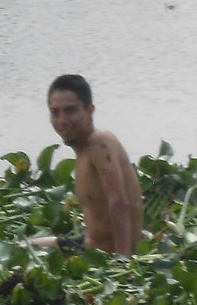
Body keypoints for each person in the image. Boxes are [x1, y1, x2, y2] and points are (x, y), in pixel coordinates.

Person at [36, 73, 142, 255]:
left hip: (101, 258)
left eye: (70, 110)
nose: (62, 120)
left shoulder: (99, 143)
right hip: (86, 242)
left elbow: (119, 202)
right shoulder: (82, 151)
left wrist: (123, 263)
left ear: (89, 110)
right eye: (55, 112)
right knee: (24, 246)